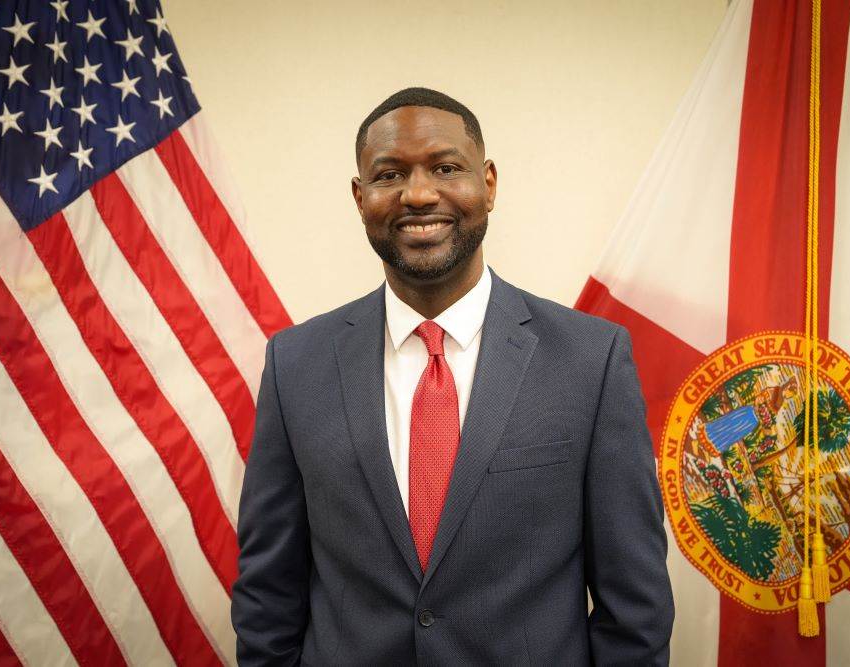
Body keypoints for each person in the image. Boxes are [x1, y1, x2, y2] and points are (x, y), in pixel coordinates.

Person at [231, 87, 674, 665]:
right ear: (360, 198)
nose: (418, 195)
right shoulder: (296, 364)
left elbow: (634, 609)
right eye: (389, 175)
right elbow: (268, 594)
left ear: (488, 184)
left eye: (445, 168)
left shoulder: (592, 360)